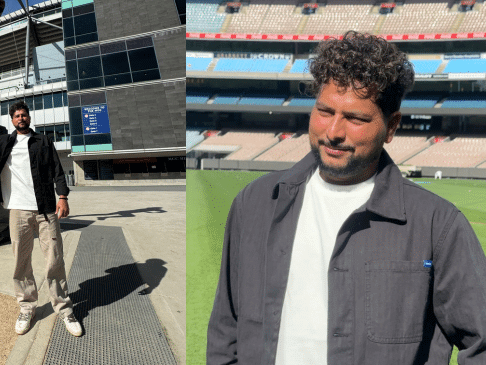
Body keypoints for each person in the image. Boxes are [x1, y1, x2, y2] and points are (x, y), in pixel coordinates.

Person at [206, 31, 486, 364]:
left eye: (355, 118)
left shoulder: (437, 225)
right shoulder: (253, 204)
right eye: (325, 111)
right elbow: (226, 330)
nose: (334, 131)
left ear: (391, 127)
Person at [0, 101, 83, 337]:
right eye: (17, 116)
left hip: (46, 209)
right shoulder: (3, 142)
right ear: (12, 120)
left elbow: (57, 171)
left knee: (54, 260)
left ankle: (64, 308)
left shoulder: (43, 141)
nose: (21, 118)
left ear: (29, 118)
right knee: (21, 262)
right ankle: (27, 307)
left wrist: (63, 197)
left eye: (24, 115)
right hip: (17, 211)